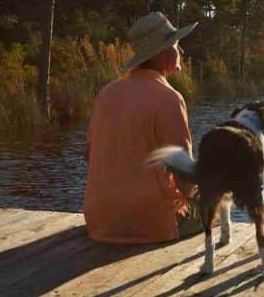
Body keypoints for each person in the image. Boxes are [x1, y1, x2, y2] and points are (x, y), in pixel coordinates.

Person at [83, 12, 202, 244]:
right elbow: (184, 174)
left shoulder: (106, 92)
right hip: (150, 221)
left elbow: (89, 155)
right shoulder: (169, 98)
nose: (182, 51)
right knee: (216, 206)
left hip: (100, 220)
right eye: (177, 45)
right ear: (163, 52)